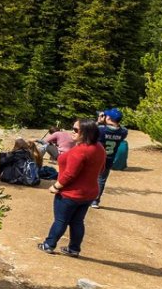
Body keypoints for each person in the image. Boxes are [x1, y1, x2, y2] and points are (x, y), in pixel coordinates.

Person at [38, 117, 105, 256]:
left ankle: (48, 245)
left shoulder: (80, 151)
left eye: (75, 130)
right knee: (77, 222)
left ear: (85, 132)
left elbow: (69, 174)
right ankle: (74, 249)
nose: (72, 132)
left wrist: (56, 186)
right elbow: (102, 169)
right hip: (89, 193)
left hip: (71, 194)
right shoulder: (99, 148)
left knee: (61, 220)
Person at [94, 108, 129, 208]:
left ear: (108, 117)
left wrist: (98, 121)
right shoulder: (123, 132)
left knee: (89, 177)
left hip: (96, 158)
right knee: (101, 180)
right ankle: (95, 201)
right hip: (109, 159)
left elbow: (89, 130)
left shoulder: (100, 130)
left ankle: (85, 197)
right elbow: (120, 129)